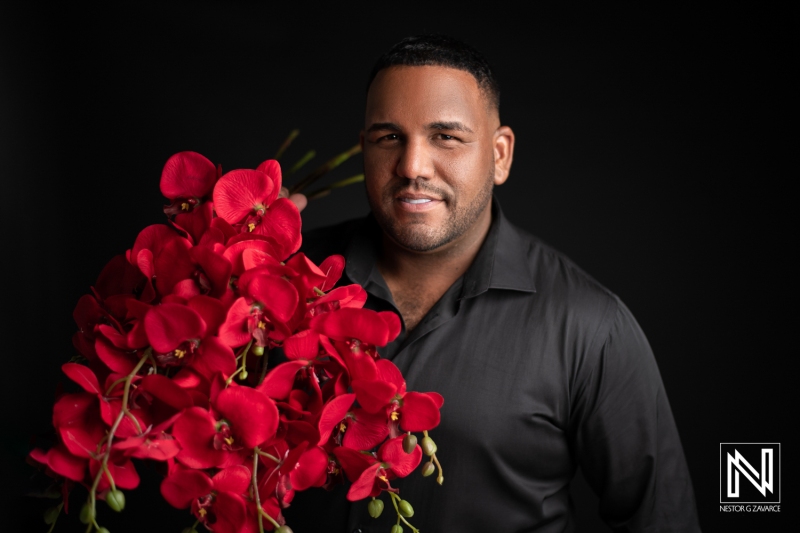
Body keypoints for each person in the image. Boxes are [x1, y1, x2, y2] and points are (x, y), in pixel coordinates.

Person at [281, 34, 701, 532]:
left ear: (499, 155)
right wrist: (223, 252)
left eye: (446, 137)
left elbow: (662, 520)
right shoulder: (282, 277)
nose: (412, 166)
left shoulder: (590, 327)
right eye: (389, 137)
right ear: (364, 149)